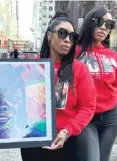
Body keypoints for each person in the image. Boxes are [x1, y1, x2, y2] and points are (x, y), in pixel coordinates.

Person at [20, 11, 96, 161]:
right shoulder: (31, 67)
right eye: (62, 34)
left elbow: (88, 107)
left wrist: (67, 132)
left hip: (67, 141)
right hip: (33, 140)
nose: (68, 40)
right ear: (49, 36)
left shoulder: (80, 70)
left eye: (73, 37)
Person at [75, 7, 117, 161]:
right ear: (90, 23)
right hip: (86, 117)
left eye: (109, 24)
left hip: (111, 118)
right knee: (91, 158)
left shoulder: (113, 56)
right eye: (100, 22)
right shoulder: (75, 52)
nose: (104, 27)